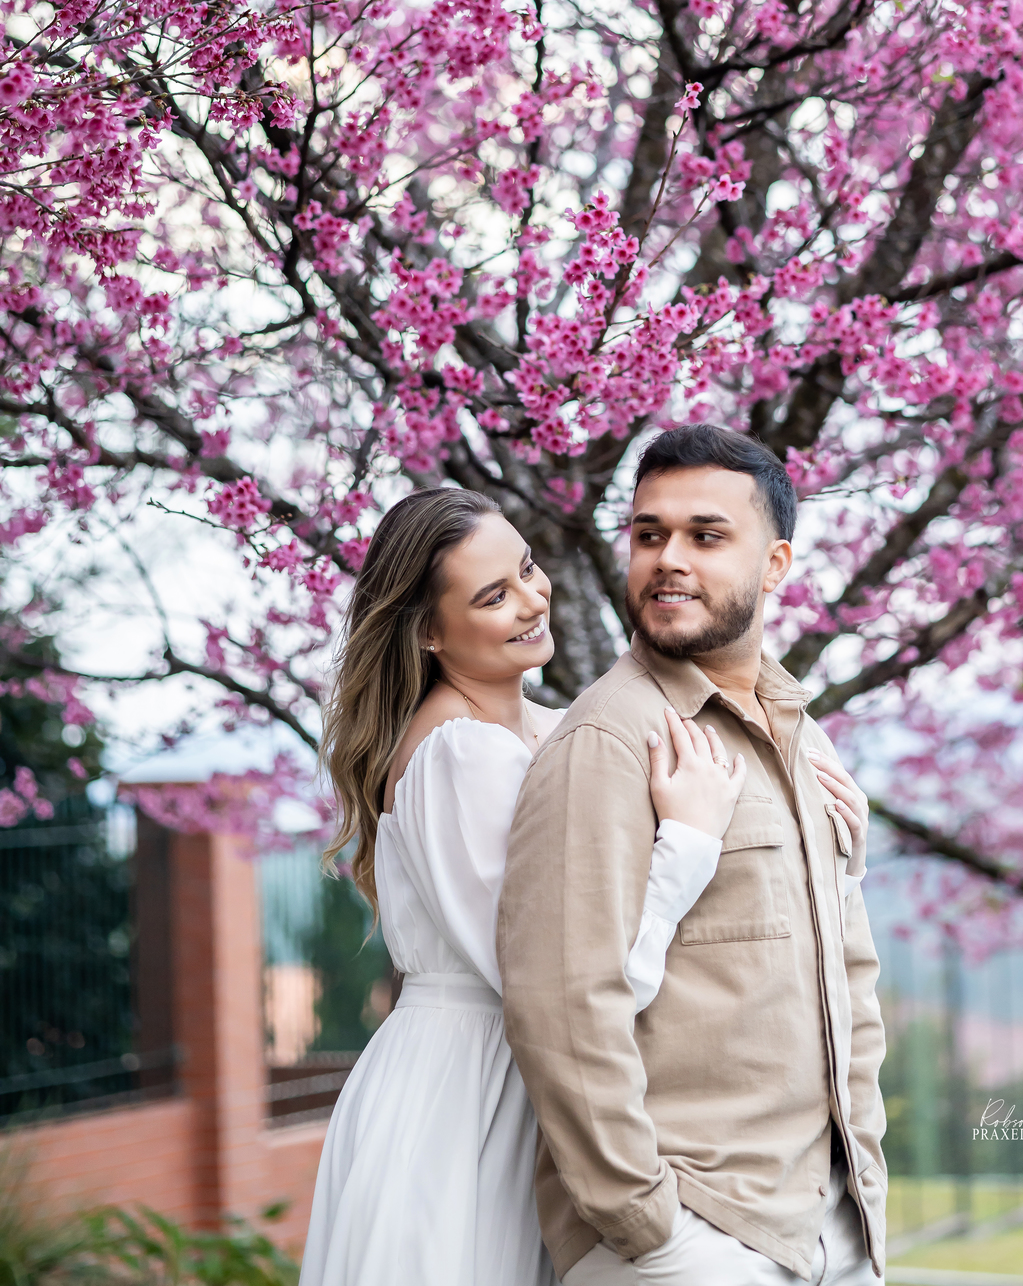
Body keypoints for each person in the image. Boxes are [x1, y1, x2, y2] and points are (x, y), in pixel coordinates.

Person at [299, 485, 747, 1286]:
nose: (532, 599)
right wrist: (687, 845)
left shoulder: (548, 726)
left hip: (527, 1082)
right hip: (466, 1094)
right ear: (430, 631)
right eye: (493, 595)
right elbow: (548, 979)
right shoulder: (458, 755)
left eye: (528, 569)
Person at [498, 425, 886, 1286]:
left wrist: (864, 1203)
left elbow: (847, 974)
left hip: (826, 1228)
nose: (668, 558)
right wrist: (648, 1226)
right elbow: (562, 1003)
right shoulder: (608, 739)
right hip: (696, 1237)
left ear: (775, 563)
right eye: (648, 535)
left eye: (706, 536)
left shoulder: (800, 732)